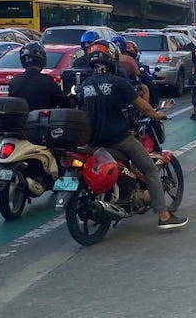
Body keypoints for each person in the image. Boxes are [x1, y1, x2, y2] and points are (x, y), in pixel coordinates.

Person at [77, 40, 187, 229]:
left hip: (93, 140)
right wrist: (156, 113)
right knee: (151, 170)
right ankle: (164, 216)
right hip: (119, 139)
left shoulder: (85, 85)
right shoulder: (118, 82)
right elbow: (141, 105)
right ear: (111, 59)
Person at [7, 41, 73, 110]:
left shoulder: (14, 82)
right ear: (42, 59)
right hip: (41, 120)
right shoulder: (48, 82)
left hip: (21, 120)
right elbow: (64, 103)